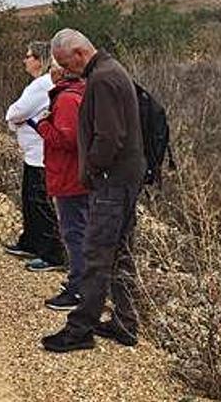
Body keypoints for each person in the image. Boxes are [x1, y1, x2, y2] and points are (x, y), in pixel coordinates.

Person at [41, 29, 146, 353]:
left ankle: (80, 329)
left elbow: (109, 137)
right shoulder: (112, 70)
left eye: (65, 64)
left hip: (112, 181)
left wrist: (90, 171)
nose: (67, 71)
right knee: (120, 253)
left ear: (78, 53)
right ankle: (125, 323)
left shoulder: (101, 79)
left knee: (96, 252)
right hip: (126, 178)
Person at [2, 41, 62, 269]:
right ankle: (31, 242)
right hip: (34, 153)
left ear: (38, 59)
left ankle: (51, 253)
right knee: (30, 200)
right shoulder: (43, 84)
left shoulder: (41, 85)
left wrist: (16, 119)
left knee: (39, 203)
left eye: (28, 56)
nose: (25, 60)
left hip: (40, 155)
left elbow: (16, 111)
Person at [35, 65, 89, 298]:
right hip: (79, 175)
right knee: (81, 229)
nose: (51, 72)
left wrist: (43, 125)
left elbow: (67, 139)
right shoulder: (83, 91)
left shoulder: (67, 99)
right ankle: (85, 285)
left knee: (74, 231)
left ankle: (78, 287)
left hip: (69, 176)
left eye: (54, 66)